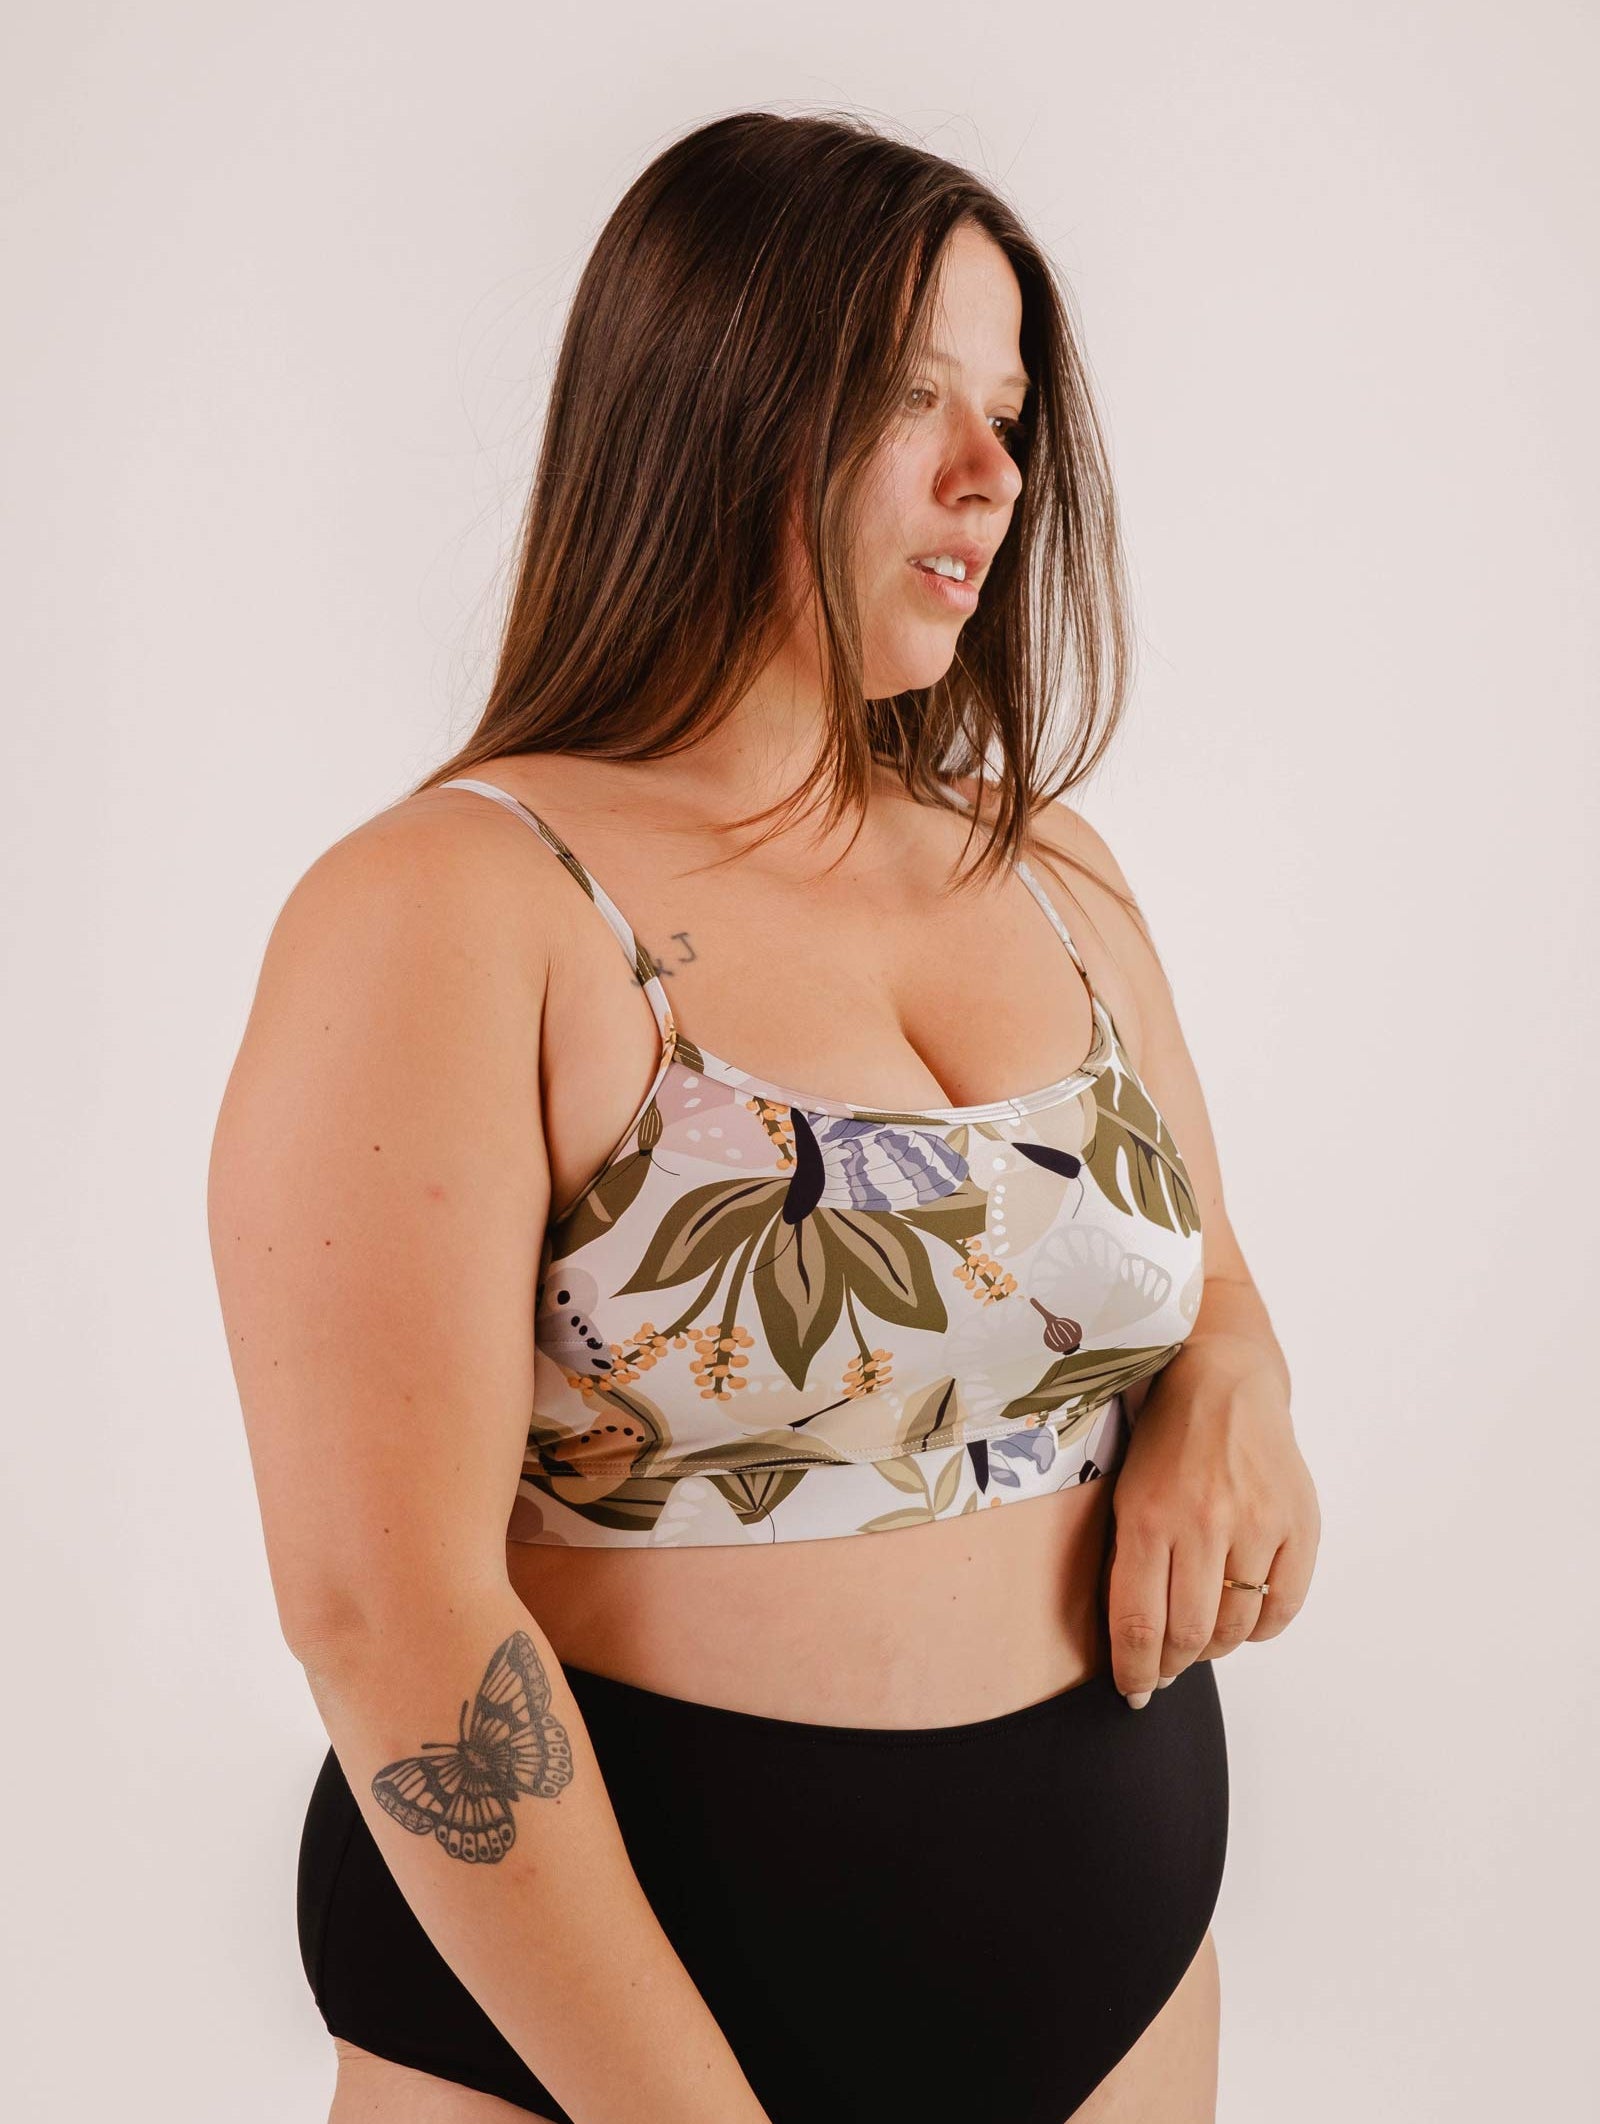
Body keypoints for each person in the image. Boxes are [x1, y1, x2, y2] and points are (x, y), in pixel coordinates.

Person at [209, 108, 1319, 2124]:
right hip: (594, 2037)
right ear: (712, 411)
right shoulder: (456, 902)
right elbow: (382, 1610)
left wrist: (1237, 1377)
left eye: (1008, 408)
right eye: (911, 401)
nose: (994, 474)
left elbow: (1202, 1274)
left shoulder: (1049, 870)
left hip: (1115, 1962)